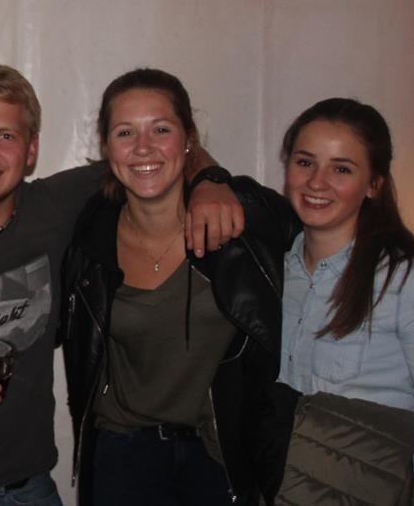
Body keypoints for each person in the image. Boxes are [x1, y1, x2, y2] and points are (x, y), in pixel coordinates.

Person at [0, 64, 247, 506]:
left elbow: (154, 156)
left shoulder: (55, 208)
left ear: (32, 150)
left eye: (6, 136)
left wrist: (210, 180)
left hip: (25, 489)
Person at [61, 68, 300, 506]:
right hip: (121, 455)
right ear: (106, 147)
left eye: (161, 129)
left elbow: (330, 239)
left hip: (220, 455)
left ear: (189, 140)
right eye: (125, 132)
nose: (143, 147)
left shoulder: (242, 218)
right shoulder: (90, 231)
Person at [276, 98, 414, 504]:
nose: (317, 182)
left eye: (341, 169)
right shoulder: (273, 272)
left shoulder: (408, 282)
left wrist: (338, 463)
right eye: (305, 162)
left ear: (374, 184)